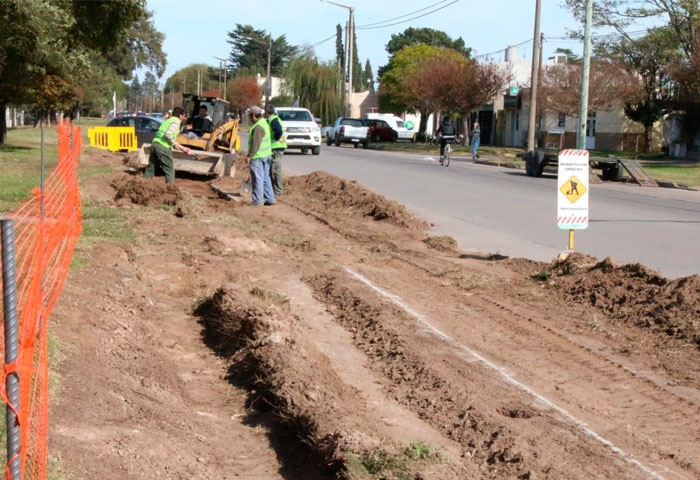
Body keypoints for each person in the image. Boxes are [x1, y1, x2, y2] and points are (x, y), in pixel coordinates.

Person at [144, 106, 191, 184]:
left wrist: (174, 145)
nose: (184, 118)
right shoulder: (176, 122)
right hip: (163, 147)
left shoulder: (168, 121)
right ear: (180, 116)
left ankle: (142, 185)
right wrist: (180, 147)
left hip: (155, 144)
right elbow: (168, 134)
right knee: (169, 170)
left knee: (151, 168)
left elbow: (164, 135)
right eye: (184, 116)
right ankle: (170, 190)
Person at [244, 106, 275, 206]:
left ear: (254, 115)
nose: (249, 117)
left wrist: (249, 156)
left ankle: (257, 201)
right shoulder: (264, 123)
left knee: (258, 178)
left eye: (250, 115)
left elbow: (255, 144)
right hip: (266, 155)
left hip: (258, 156)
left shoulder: (258, 127)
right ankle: (270, 198)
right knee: (265, 177)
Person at [264, 104, 286, 195]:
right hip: (276, 147)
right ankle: (274, 189)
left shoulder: (273, 120)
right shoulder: (273, 119)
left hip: (277, 147)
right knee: (273, 168)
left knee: (275, 169)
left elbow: (278, 131)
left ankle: (278, 190)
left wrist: (278, 137)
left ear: (266, 112)